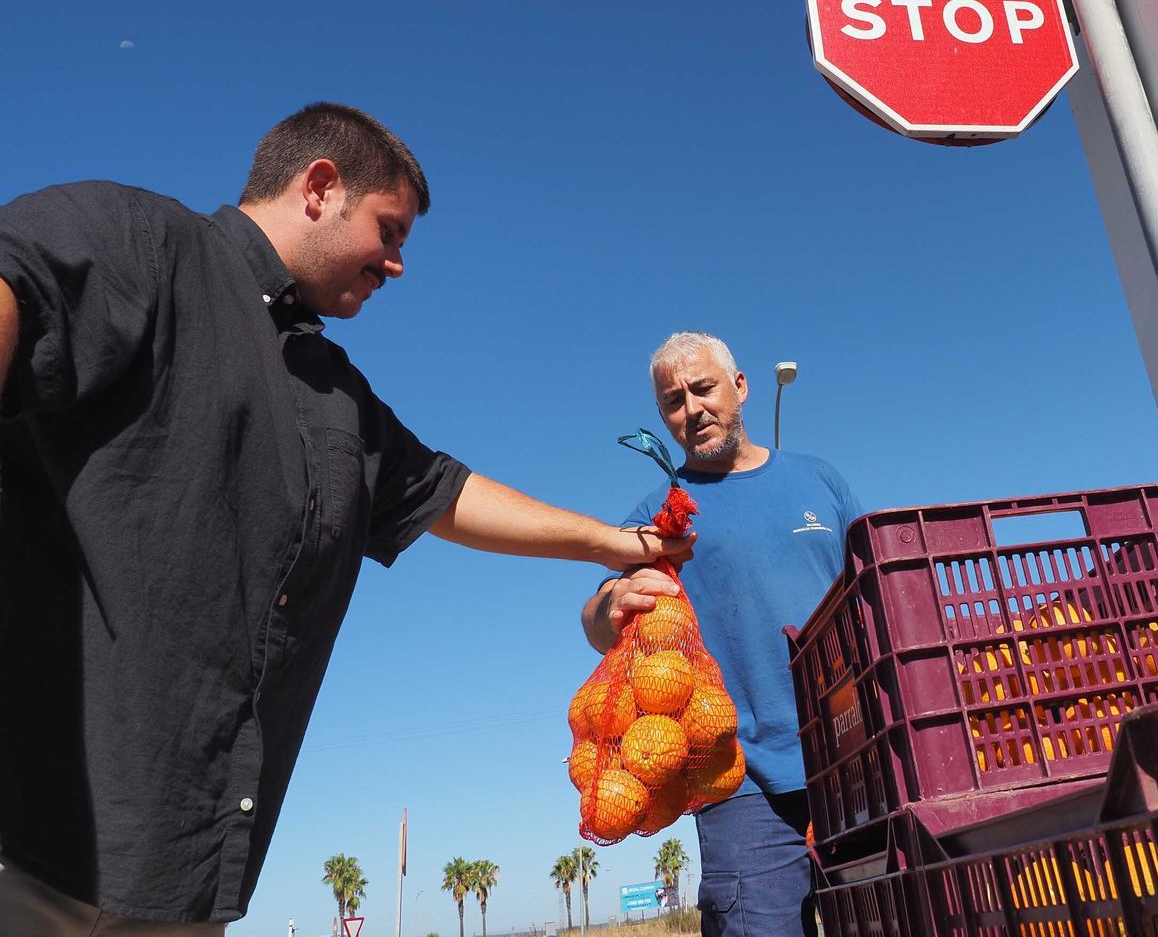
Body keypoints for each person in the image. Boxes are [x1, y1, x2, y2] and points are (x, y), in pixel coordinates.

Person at [0, 103, 690, 936]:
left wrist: (622, 543)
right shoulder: (142, 240)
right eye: (389, 231)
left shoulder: (335, 393)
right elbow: (18, 282)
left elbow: (446, 492)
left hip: (182, 875)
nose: (397, 264)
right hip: (30, 846)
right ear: (321, 187)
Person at [581, 331, 862, 937]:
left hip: (855, 757)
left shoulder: (820, 482)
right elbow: (595, 618)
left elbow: (870, 595)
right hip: (738, 780)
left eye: (703, 388)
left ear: (740, 387)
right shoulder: (662, 513)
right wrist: (612, 607)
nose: (692, 410)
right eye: (673, 402)